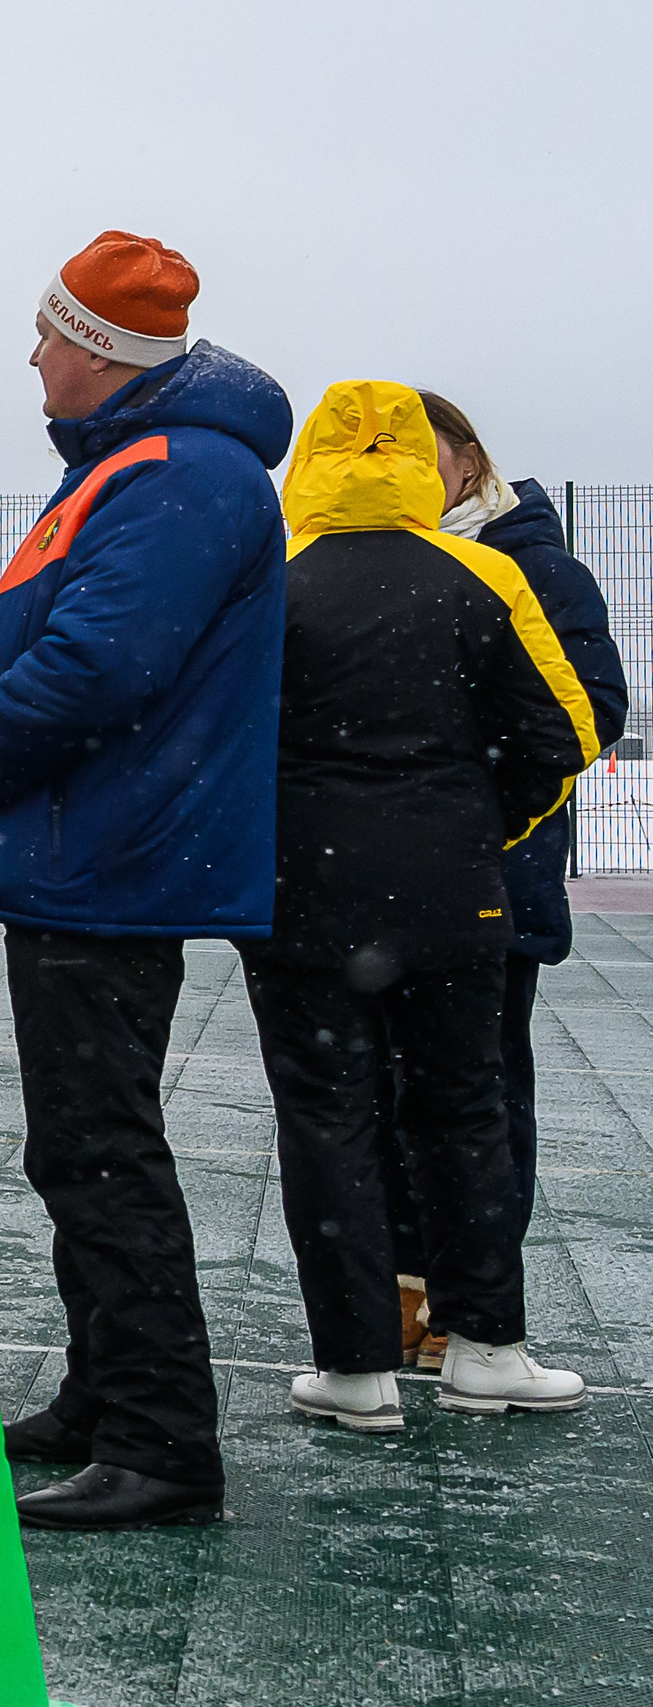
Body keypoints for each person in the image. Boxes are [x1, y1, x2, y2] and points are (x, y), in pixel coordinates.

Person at [0, 232, 291, 1530]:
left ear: (105, 354)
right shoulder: (157, 466)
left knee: (103, 1148)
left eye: (51, 333)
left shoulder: (181, 474)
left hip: (113, 852)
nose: (34, 353)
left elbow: (100, 666)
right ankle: (107, 1390)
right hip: (96, 846)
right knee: (77, 1141)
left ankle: (164, 1436)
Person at [242, 381, 597, 1434]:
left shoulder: (271, 581)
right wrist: (475, 834)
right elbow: (564, 732)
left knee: (327, 1124)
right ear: (420, 459)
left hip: (302, 901)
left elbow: (218, 739)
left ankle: (354, 1371)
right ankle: (487, 1346)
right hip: (453, 900)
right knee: (465, 1116)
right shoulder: (484, 573)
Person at [382, 393, 628, 1373]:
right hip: (385, 887)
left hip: (489, 887)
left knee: (474, 1101)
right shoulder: (379, 562)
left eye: (422, 448)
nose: (405, 465)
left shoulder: (536, 566)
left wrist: (466, 803)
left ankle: (470, 1306)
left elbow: (586, 712)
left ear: (467, 457)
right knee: (388, 1100)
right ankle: (408, 1299)